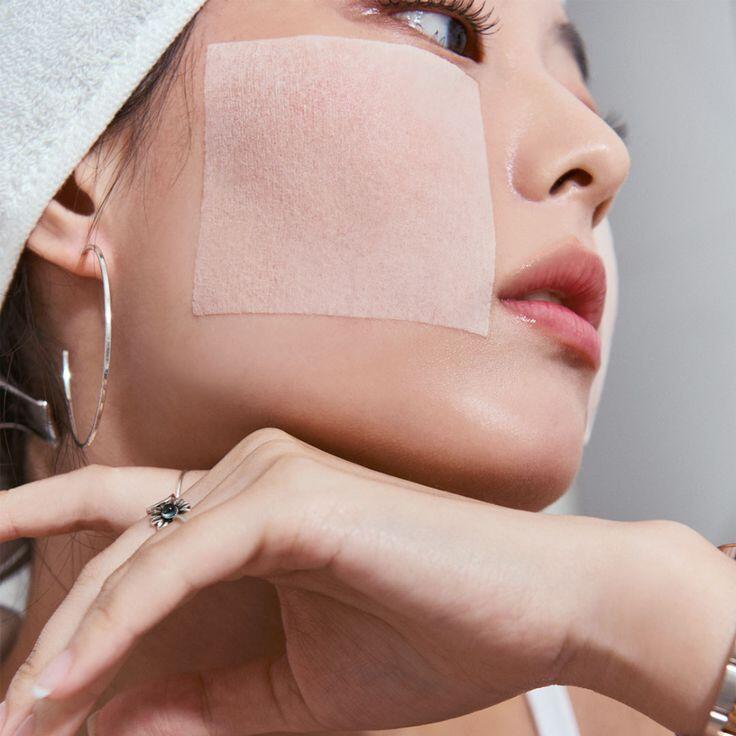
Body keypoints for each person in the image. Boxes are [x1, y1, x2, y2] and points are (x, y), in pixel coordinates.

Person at [1, 1, 736, 735]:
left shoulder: (659, 703)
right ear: (71, 177)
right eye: (441, 27)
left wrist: (656, 614)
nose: (604, 155)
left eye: (593, 107)